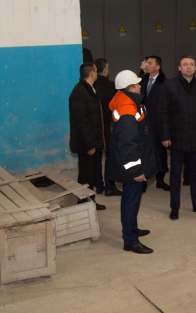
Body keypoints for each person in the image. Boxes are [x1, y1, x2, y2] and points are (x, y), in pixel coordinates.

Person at [108, 70, 160, 254]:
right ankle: (130, 240)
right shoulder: (127, 111)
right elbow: (128, 145)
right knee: (130, 201)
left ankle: (132, 228)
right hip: (131, 168)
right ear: (130, 89)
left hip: (133, 163)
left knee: (132, 200)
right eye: (137, 84)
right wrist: (136, 171)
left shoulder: (128, 102)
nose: (140, 86)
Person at [158, 56, 196, 220]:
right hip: (176, 138)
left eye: (191, 64)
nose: (189, 67)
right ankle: (175, 207)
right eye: (185, 65)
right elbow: (162, 112)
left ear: (195, 67)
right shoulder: (170, 85)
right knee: (175, 175)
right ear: (179, 68)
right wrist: (165, 135)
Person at [68, 63, 106, 210]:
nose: (97, 74)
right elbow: (81, 122)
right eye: (96, 71)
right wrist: (90, 144)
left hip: (92, 141)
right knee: (86, 175)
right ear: (91, 74)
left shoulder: (90, 89)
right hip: (86, 144)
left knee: (91, 174)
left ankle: (89, 201)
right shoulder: (80, 92)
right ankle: (84, 203)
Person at [139, 56, 170, 191]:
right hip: (144, 124)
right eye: (146, 63)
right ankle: (143, 181)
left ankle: (160, 180)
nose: (147, 65)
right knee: (144, 153)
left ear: (157, 67)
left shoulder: (165, 83)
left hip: (158, 125)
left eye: (150, 63)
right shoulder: (143, 82)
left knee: (160, 153)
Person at [93, 58, 122, 197]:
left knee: (97, 157)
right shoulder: (112, 86)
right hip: (110, 126)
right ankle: (110, 186)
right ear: (105, 70)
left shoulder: (91, 86)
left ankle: (98, 185)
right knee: (110, 158)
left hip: (96, 127)